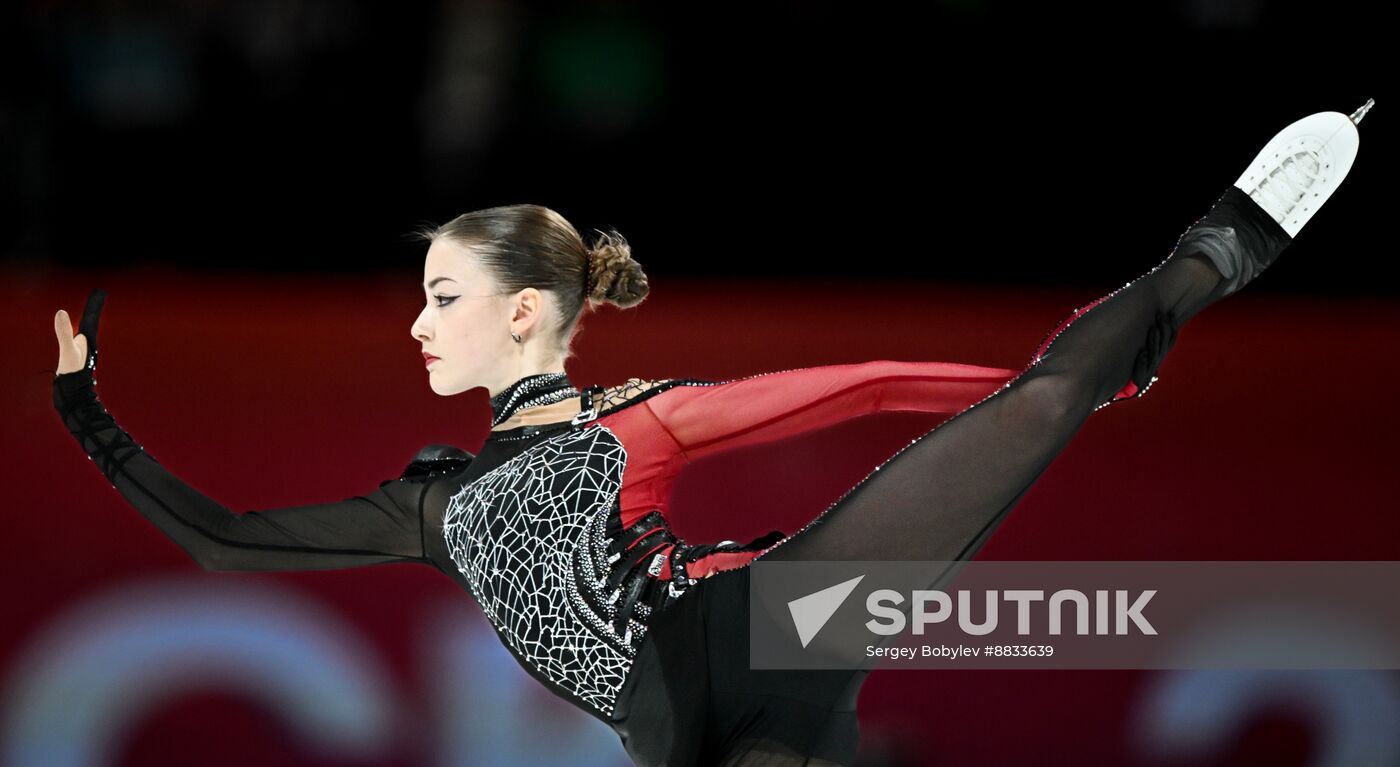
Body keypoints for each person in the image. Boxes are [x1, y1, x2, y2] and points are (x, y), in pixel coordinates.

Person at [51, 101, 1371, 766]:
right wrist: (89, 419)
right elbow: (227, 545)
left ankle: (1220, 248)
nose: (419, 326)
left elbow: (854, 390)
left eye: (441, 299)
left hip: (767, 623)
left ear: (525, 312)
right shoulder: (430, 508)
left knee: (1036, 401)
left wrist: (1085, 384)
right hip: (683, 735)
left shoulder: (644, 421)